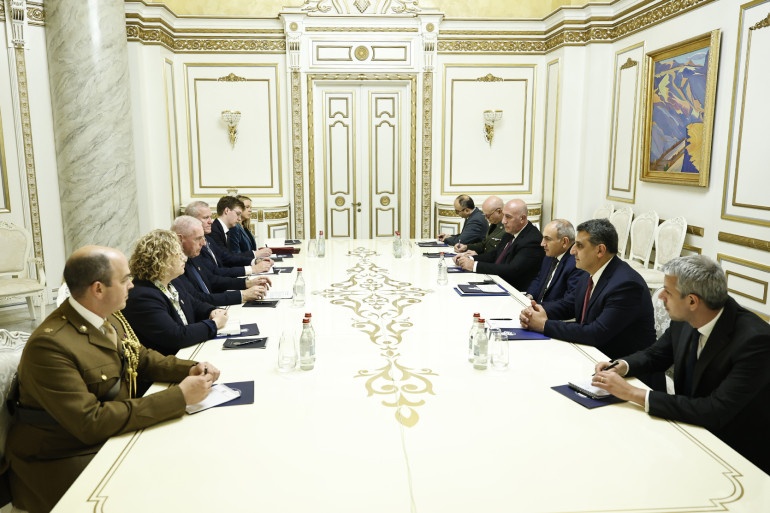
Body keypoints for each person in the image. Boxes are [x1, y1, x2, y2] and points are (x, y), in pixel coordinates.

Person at [4, 246, 219, 513]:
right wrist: (179, 396)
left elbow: (141, 358)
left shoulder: (109, 317)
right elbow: (90, 422)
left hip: (108, 436)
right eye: (125, 279)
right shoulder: (50, 345)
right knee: (166, 490)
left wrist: (191, 369)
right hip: (61, 456)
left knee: (196, 458)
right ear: (98, 289)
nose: (132, 285)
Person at [592, 255, 770, 474]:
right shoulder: (687, 318)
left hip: (735, 455)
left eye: (668, 291)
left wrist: (632, 393)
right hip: (689, 430)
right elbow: (656, 354)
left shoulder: (756, 341)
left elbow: (715, 410)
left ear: (692, 301)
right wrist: (622, 365)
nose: (660, 297)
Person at [520, 218, 656, 362]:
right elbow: (570, 305)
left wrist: (544, 325)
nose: (572, 251)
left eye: (579, 245)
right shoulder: (589, 273)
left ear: (600, 250)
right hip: (593, 354)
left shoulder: (626, 285)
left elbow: (596, 333)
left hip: (622, 366)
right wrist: (537, 310)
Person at [122, 229, 228, 356]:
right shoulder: (142, 296)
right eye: (178, 254)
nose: (184, 258)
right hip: (171, 360)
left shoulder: (173, 282)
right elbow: (176, 336)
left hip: (190, 350)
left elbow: (194, 304)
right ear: (162, 260)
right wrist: (214, 324)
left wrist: (211, 311)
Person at [171, 215, 269, 304]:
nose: (203, 243)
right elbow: (197, 298)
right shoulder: (174, 266)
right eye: (198, 239)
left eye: (203, 238)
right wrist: (243, 295)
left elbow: (212, 280)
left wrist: (246, 283)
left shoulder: (192, 255)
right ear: (180, 239)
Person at [455, 199, 543, 290]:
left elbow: (512, 270)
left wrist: (474, 265)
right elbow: (495, 254)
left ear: (522, 218)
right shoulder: (511, 232)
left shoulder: (532, 240)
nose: (503, 221)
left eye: (508, 217)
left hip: (513, 290)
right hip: (498, 282)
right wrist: (469, 258)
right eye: (503, 215)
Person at [185, 200, 273, 277]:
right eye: (205, 218)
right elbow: (216, 272)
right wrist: (252, 269)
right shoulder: (213, 232)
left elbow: (225, 257)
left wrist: (254, 261)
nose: (211, 221)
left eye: (210, 217)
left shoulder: (209, 237)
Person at [524, 218, 585, 311]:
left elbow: (570, 302)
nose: (542, 244)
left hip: (552, 314)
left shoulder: (576, 263)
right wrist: (529, 296)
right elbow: (539, 279)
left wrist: (539, 308)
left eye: (547, 239)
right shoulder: (550, 255)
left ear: (564, 242)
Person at [453, 195, 505, 259]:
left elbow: (497, 256)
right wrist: (466, 247)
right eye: (484, 215)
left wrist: (477, 257)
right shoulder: (495, 224)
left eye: (488, 216)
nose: (485, 218)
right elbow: (484, 244)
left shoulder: (506, 229)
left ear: (499, 211)